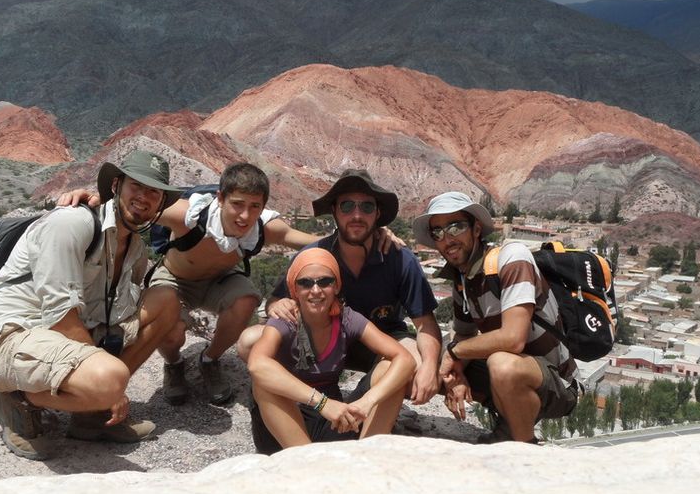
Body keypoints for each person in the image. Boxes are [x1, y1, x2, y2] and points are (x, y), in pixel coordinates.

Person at [0, 150, 183, 461]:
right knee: (110, 379)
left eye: (153, 191)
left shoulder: (135, 247)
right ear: (116, 186)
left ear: (161, 202)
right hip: (14, 337)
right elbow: (60, 317)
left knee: (166, 301)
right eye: (136, 186)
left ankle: (90, 415)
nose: (144, 197)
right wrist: (112, 387)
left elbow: (116, 311)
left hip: (61, 340)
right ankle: (20, 398)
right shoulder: (73, 223)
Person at [60, 161, 317, 406]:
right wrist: (89, 198)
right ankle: (174, 364)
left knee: (246, 300)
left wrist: (349, 234)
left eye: (254, 206)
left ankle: (210, 359)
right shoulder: (189, 215)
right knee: (171, 331)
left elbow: (311, 241)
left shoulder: (264, 229)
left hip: (219, 280)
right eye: (237, 204)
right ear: (220, 198)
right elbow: (137, 206)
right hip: (175, 279)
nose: (245, 215)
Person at [238, 169, 441, 407]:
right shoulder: (314, 257)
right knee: (249, 341)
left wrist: (430, 365)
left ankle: (359, 410)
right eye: (347, 206)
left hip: (380, 342)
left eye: (366, 207)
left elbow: (425, 323)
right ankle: (303, 400)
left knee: (415, 364)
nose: (356, 215)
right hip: (323, 341)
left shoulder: (400, 259)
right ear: (334, 210)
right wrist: (277, 305)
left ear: (377, 213)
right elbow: (275, 300)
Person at [412, 192, 580, 443]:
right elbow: (465, 334)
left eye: (455, 227)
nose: (447, 239)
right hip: (504, 376)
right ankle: (506, 431)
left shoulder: (511, 258)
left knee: (502, 364)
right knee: (422, 367)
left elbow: (513, 340)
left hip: (556, 384)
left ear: (476, 228)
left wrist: (454, 353)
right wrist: (455, 375)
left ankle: (523, 448)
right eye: (438, 232)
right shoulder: (462, 279)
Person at [247, 247, 414, 452]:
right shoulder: (286, 320)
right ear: (294, 289)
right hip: (286, 428)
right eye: (305, 283)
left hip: (334, 424)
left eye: (325, 281)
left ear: (336, 286)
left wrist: (366, 403)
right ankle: (307, 462)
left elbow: (404, 358)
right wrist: (322, 403)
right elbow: (257, 365)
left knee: (389, 367)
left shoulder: (347, 319)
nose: (316, 290)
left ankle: (367, 455)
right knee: (263, 381)